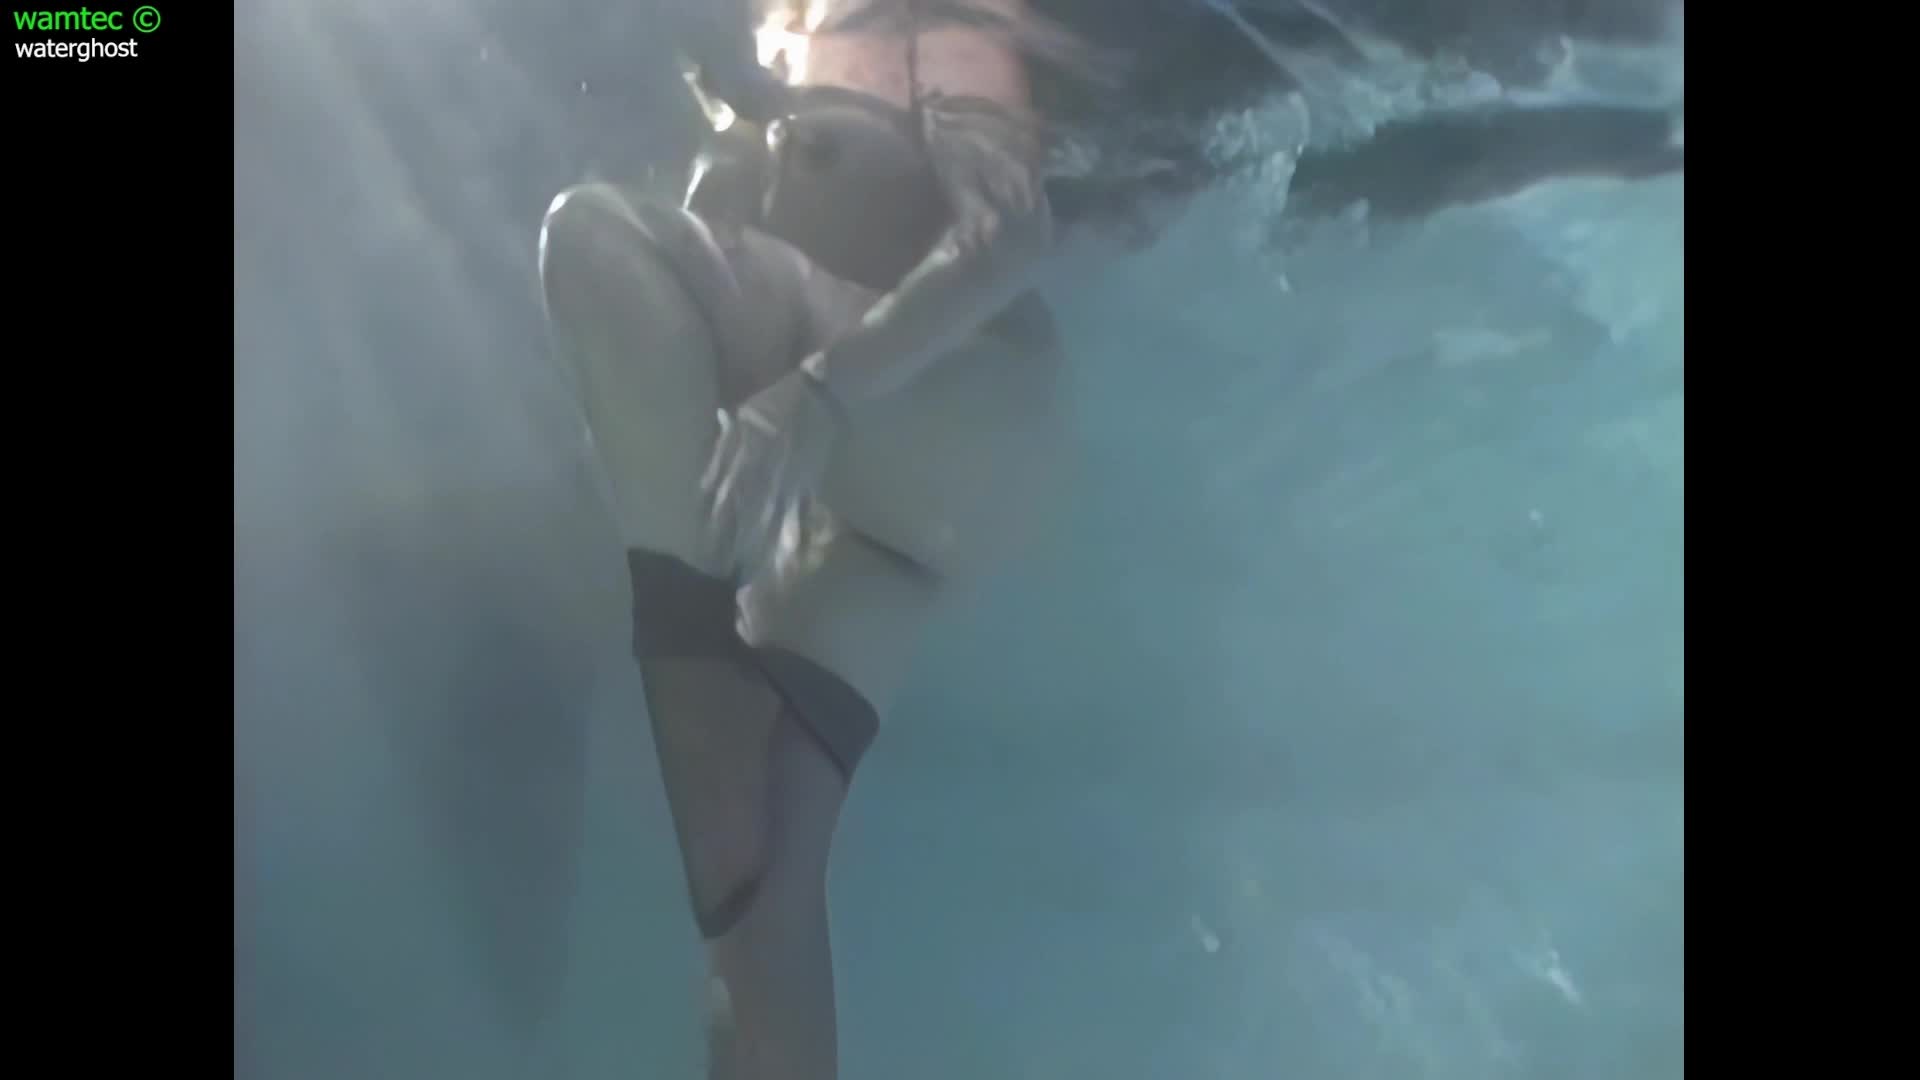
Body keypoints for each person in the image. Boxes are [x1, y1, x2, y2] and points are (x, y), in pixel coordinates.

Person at [539, 3, 1082, 1076]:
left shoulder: (932, 21)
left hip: (953, 405)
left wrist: (820, 395)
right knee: (759, 907)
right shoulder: (773, 46)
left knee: (593, 237)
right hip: (901, 507)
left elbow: (1013, 232)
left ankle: (685, 649)